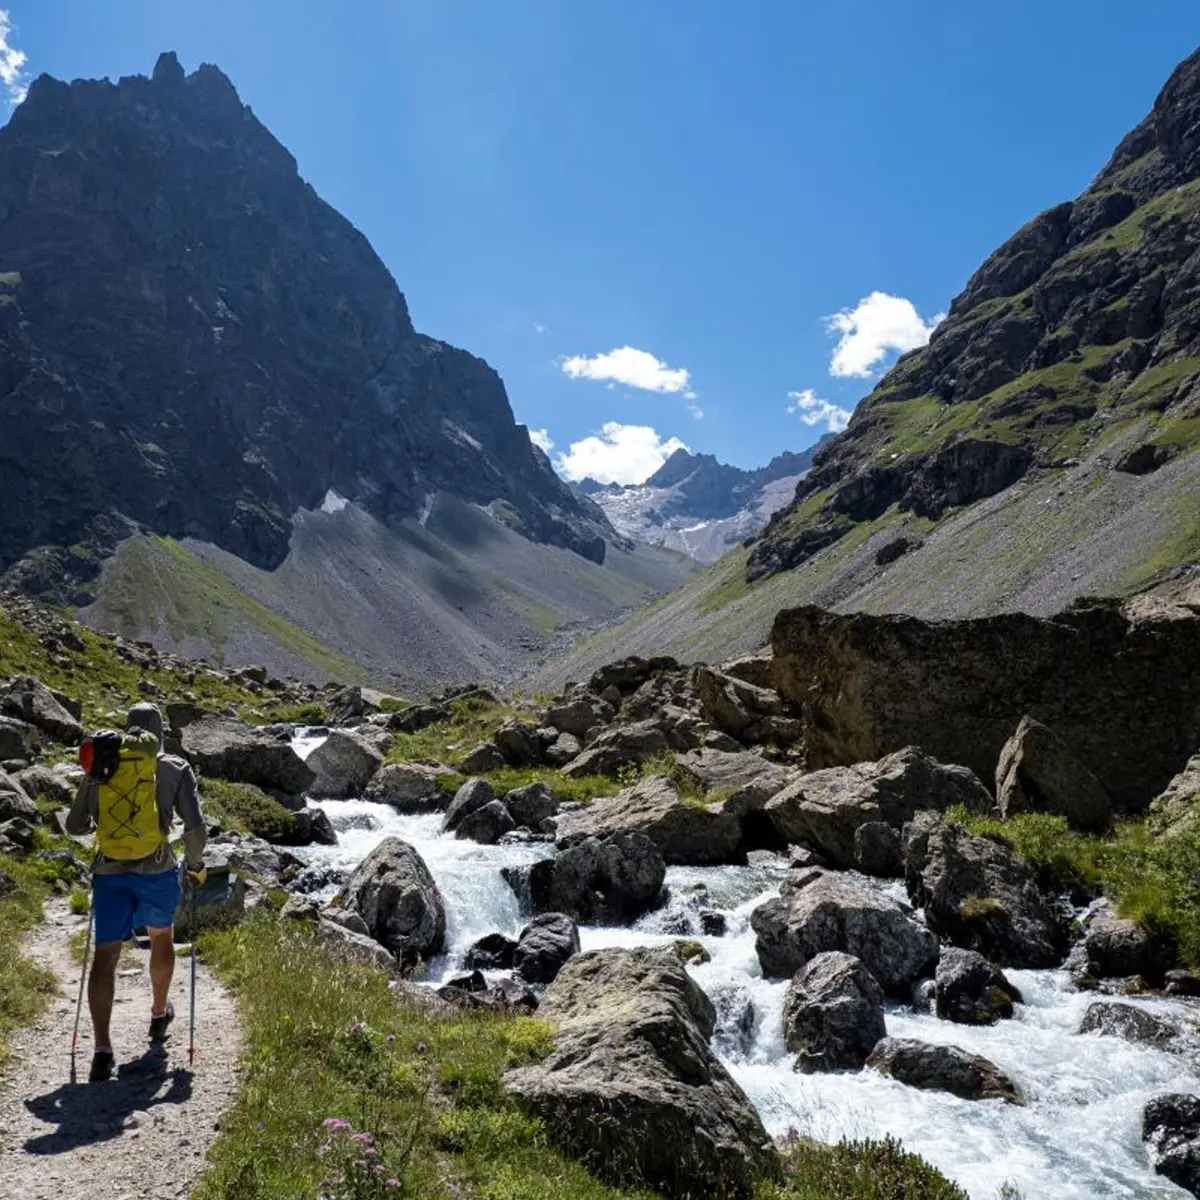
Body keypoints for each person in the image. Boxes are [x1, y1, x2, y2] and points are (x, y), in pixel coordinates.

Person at [66, 701, 207, 1082]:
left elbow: (74, 825)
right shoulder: (174, 767)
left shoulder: (103, 763)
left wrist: (101, 827)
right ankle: (159, 1014)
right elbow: (194, 828)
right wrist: (195, 865)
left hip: (109, 872)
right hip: (157, 868)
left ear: (127, 728)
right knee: (161, 937)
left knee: (105, 956)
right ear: (160, 733)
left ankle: (101, 1050)